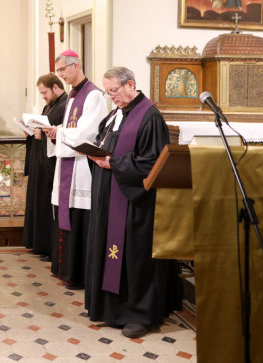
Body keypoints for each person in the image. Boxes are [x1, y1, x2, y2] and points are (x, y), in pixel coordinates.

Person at [84, 67, 181, 338]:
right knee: (110, 249)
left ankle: (139, 315)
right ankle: (111, 309)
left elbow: (154, 162)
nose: (111, 97)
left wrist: (114, 162)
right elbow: (105, 142)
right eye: (108, 92)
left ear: (130, 85)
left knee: (134, 256)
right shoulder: (115, 114)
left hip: (135, 203)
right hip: (110, 197)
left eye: (114, 91)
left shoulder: (150, 117)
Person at [45, 51, 105, 289]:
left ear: (76, 66)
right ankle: (64, 268)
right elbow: (71, 126)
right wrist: (55, 131)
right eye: (58, 71)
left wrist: (59, 132)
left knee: (80, 217)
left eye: (63, 70)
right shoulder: (73, 94)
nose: (60, 75)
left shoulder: (94, 95)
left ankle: (78, 274)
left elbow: (87, 132)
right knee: (66, 211)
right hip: (68, 163)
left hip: (82, 167)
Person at [22, 73, 67, 262]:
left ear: (55, 87)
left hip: (50, 164)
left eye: (44, 92)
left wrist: (43, 135)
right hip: (39, 161)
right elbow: (42, 127)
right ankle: (38, 243)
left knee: (47, 204)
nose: (43, 96)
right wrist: (31, 131)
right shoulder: (50, 104)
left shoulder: (65, 105)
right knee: (38, 201)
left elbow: (63, 133)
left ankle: (49, 247)